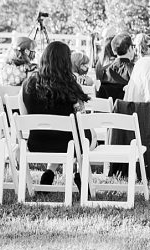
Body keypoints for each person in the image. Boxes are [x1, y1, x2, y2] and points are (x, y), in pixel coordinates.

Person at [21, 41, 91, 189]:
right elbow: (81, 118)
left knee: (62, 137)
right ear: (66, 61)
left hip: (37, 143)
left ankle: (50, 171)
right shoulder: (71, 85)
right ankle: (79, 172)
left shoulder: (27, 84)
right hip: (67, 145)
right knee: (88, 136)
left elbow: (24, 117)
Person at [96, 34, 135, 101]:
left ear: (114, 51)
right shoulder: (135, 70)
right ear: (130, 48)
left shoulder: (105, 70)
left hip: (106, 109)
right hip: (125, 108)